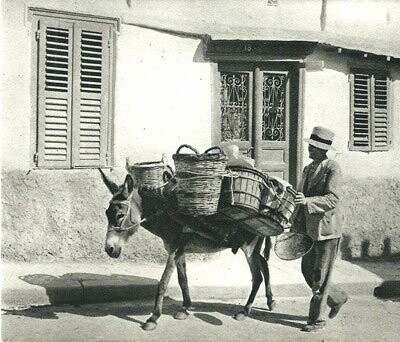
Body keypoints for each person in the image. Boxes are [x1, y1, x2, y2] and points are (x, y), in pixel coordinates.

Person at [291, 126, 348, 332]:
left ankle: (317, 320)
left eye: (314, 147)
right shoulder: (308, 169)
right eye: (310, 146)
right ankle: (337, 298)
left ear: (323, 150)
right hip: (309, 229)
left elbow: (332, 199)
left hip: (327, 230)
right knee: (307, 270)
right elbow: (300, 198)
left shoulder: (332, 168)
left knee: (319, 276)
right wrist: (294, 221)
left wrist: (307, 201)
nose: (310, 150)